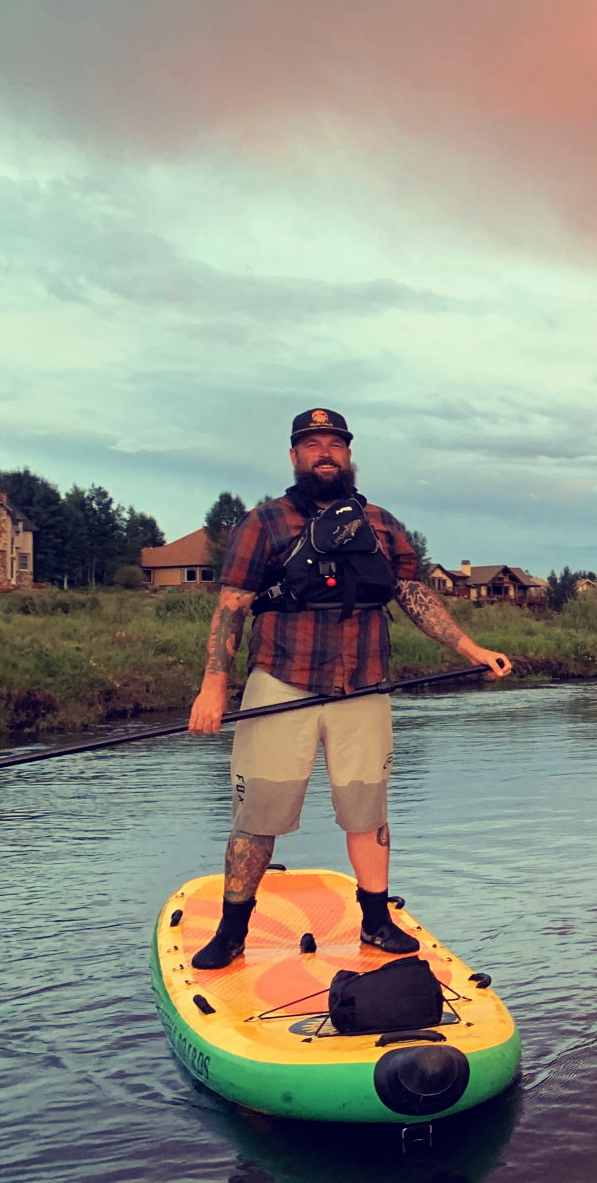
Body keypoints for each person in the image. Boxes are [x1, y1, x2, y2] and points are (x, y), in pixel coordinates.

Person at [185, 408, 512, 970]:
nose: (325, 453)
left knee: (367, 811)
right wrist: (214, 685)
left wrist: (471, 649)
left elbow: (413, 593)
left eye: (334, 443)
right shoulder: (263, 522)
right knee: (258, 814)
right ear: (294, 456)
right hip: (281, 682)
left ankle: (377, 923)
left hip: (363, 686)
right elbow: (233, 605)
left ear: (349, 455)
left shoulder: (382, 524)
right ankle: (233, 929)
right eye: (312, 444)